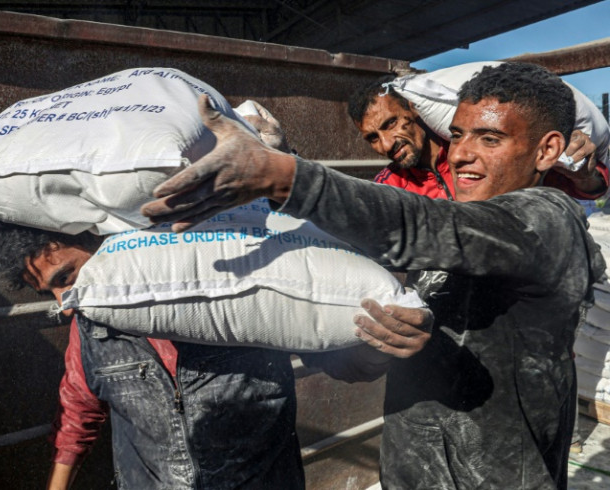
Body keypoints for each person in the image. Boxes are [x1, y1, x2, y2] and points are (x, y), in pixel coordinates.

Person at [140, 62, 606, 489]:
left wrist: (286, 177)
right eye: (458, 135)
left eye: (489, 139)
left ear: (547, 150)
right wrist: (394, 340)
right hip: (412, 469)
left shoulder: (546, 218)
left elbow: (427, 225)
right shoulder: (448, 212)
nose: (461, 154)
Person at [0, 224, 431, 490]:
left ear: (103, 242)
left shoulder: (240, 298)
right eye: (49, 293)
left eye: (66, 276)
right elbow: (78, 414)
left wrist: (384, 346)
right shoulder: (88, 329)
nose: (65, 301)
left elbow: (345, 364)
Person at [348, 73, 609, 201]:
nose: (386, 144)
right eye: (372, 138)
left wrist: (585, 175)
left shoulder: (487, 152)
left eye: (391, 123)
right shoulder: (391, 184)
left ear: (413, 109)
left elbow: (591, 189)